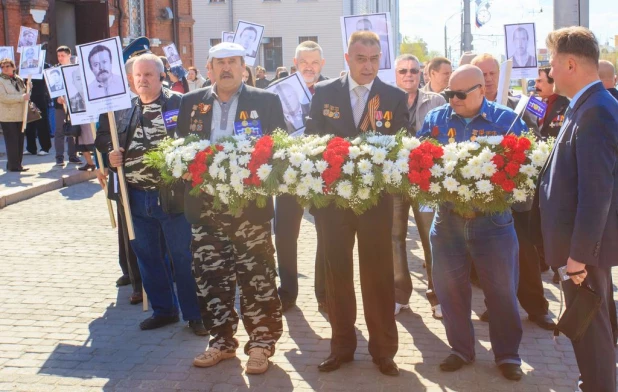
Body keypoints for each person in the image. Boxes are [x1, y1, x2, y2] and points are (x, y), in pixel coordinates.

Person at [177, 42, 286, 375]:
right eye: (219, 63)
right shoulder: (191, 102)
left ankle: (262, 344)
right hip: (205, 207)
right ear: (208, 68)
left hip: (248, 208)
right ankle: (221, 342)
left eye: (233, 62)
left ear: (244, 67)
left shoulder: (265, 101)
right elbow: (180, 147)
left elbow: (279, 151)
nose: (226, 68)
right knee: (212, 277)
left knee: (257, 277)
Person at [306, 30, 408, 377]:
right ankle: (341, 347)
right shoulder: (324, 92)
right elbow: (311, 139)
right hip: (333, 202)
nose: (368, 66)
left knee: (378, 275)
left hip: (375, 203)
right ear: (347, 59)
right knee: (337, 275)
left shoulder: (393, 97)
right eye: (361, 59)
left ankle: (383, 351)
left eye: (375, 59)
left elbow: (401, 146)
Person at [418, 65, 527, 381]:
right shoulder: (436, 120)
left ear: (482, 89)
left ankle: (507, 355)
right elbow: (417, 159)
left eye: (460, 94)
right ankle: (461, 349)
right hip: (448, 219)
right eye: (449, 93)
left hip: (492, 222)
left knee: (501, 292)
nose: (453, 99)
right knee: (449, 289)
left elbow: (523, 169)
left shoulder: (506, 121)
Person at [530, 26, 618, 392]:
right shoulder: (587, 104)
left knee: (591, 329)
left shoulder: (595, 110)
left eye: (550, 62)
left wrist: (579, 257)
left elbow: (596, 194)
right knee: (591, 327)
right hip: (582, 249)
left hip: (584, 252)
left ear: (569, 63)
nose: (548, 71)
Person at [96, 53, 206, 336]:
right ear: (131, 80)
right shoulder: (122, 109)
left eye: (148, 75)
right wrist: (111, 154)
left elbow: (197, 138)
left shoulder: (179, 104)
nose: (142, 80)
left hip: (172, 196)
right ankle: (164, 310)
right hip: (135, 196)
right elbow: (103, 137)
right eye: (138, 76)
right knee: (146, 255)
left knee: (182, 255)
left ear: (161, 76)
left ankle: (195, 314)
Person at [469, 53, 554, 330]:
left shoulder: (524, 105)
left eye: (493, 73)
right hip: (485, 198)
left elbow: (538, 138)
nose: (489, 78)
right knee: (490, 257)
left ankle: (537, 307)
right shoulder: (468, 111)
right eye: (483, 74)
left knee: (525, 254)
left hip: (516, 197)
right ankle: (496, 306)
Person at [276, 40, 329, 312]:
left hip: (323, 176)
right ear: (295, 64)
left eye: (315, 63)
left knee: (326, 232)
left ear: (322, 64)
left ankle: (324, 292)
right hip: (289, 174)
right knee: (285, 233)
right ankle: (286, 291)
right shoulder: (278, 93)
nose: (309, 67)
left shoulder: (333, 91)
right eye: (304, 63)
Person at [392, 54, 445, 318]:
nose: (409, 74)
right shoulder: (386, 101)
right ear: (396, 74)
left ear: (421, 74)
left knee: (431, 238)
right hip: (395, 182)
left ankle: (438, 297)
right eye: (403, 70)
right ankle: (400, 296)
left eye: (413, 70)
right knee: (395, 238)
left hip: (425, 182)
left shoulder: (436, 101)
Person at [0, 58, 30, 172]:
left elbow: (25, 95)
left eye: (7, 66)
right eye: (3, 67)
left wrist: (29, 88)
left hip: (20, 115)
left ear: (13, 67)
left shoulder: (18, 79)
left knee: (19, 141)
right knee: (12, 141)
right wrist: (21, 98)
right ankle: (14, 166)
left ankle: (16, 164)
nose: (5, 68)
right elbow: (3, 97)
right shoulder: (1, 80)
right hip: (7, 116)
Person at [54, 46, 81, 166]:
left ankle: (73, 155)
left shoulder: (75, 69)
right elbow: (51, 87)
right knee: (59, 130)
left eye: (62, 56)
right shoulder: (54, 70)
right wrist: (57, 97)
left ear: (69, 55)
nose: (60, 58)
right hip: (60, 105)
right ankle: (59, 157)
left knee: (73, 130)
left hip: (74, 103)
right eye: (58, 56)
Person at [535, 66, 569, 140]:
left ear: (553, 82)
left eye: (539, 81)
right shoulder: (535, 103)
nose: (535, 86)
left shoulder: (567, 105)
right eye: (535, 82)